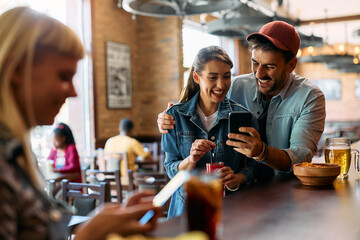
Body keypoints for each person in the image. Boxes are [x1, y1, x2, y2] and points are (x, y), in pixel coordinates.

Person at [0, 6, 159, 240]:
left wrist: (106, 221)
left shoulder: (18, 153)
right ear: (17, 69)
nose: (74, 92)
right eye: (64, 77)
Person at [157, 21, 326, 176]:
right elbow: (202, 102)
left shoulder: (310, 97)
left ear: (291, 65)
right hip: (243, 195)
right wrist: (169, 117)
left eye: (269, 66)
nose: (259, 74)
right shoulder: (234, 85)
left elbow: (301, 157)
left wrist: (262, 152)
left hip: (284, 191)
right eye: (255, 63)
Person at [162, 46, 259, 219]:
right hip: (185, 212)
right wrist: (191, 159)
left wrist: (237, 179)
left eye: (226, 76)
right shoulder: (174, 116)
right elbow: (171, 169)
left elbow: (252, 168)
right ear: (197, 77)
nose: (221, 85)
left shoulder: (245, 118)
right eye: (213, 77)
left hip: (230, 213)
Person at [104, 118, 154, 184]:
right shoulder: (133, 142)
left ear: (119, 129)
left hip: (110, 180)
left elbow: (105, 158)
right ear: (131, 130)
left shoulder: (109, 141)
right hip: (127, 180)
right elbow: (149, 159)